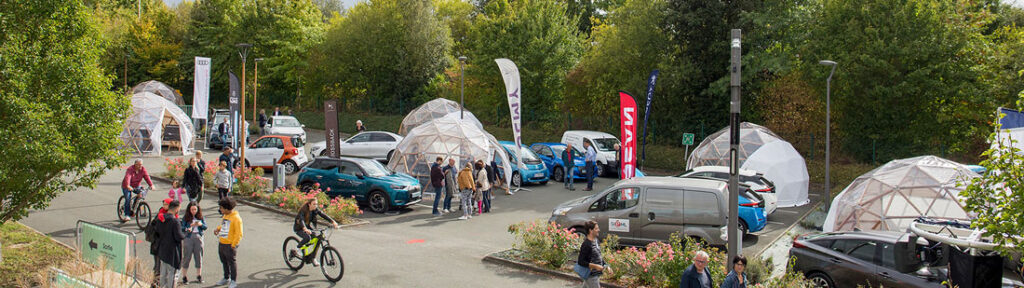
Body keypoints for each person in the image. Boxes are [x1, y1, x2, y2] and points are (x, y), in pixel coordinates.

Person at [291, 198, 340, 265]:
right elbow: (301, 220)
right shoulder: (303, 210)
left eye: (316, 204)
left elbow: (323, 215)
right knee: (307, 238)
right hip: (299, 228)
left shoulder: (315, 210)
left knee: (317, 239)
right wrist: (305, 229)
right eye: (314, 204)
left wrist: (333, 221)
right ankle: (297, 249)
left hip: (307, 227)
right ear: (309, 204)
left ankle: (312, 257)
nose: (315, 206)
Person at [214, 198, 242, 288]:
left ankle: (233, 280)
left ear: (227, 208)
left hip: (230, 244)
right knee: (224, 262)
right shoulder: (225, 216)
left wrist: (234, 245)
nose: (220, 209)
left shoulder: (236, 218)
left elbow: (239, 233)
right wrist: (218, 229)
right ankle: (226, 278)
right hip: (222, 242)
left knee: (231, 262)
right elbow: (223, 225)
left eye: (221, 208)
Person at [157, 200, 185, 288]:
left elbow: (157, 232)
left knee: (163, 272)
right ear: (176, 209)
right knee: (172, 274)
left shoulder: (161, 218)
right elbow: (179, 236)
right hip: (172, 251)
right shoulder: (175, 221)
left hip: (162, 248)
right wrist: (185, 233)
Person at [181, 201, 207, 284]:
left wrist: (200, 224)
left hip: (198, 237)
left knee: (199, 256)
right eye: (192, 209)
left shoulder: (201, 217)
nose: (193, 211)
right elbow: (182, 227)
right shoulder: (185, 217)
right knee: (187, 257)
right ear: (189, 210)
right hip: (188, 237)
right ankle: (184, 276)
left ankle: (199, 275)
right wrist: (188, 227)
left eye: (195, 209)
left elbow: (205, 227)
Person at [577, 220, 609, 288]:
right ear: (591, 230)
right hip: (591, 275)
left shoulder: (596, 240)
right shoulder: (586, 244)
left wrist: (606, 266)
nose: (599, 230)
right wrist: (595, 266)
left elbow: (599, 256)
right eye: (596, 228)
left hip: (595, 274)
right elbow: (581, 261)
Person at [148, 198, 172, 280]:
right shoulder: (160, 215)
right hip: (158, 244)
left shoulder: (173, 215)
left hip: (166, 245)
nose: (164, 206)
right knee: (158, 266)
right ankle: (155, 282)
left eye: (166, 204)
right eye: (164, 204)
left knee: (167, 267)